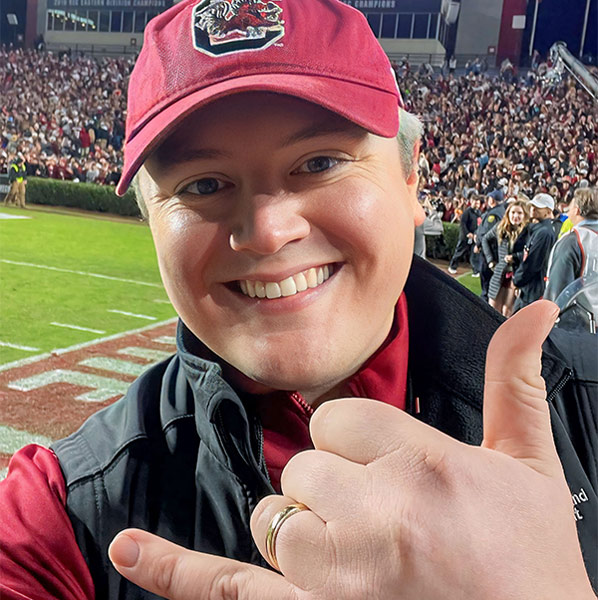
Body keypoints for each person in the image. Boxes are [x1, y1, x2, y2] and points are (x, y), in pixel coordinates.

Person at [1, 2, 596, 599]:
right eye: (203, 184)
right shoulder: (62, 509)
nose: (265, 231)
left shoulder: (587, 406)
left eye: (320, 163)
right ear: (151, 222)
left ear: (413, 182)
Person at [545, 187, 598, 302]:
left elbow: (558, 291)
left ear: (577, 210)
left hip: (582, 315)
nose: (567, 214)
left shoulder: (573, 241)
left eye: (569, 209)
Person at [482, 199, 530, 317]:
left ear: (524, 215)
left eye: (519, 213)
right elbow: (485, 240)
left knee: (507, 311)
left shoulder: (528, 231)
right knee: (492, 309)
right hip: (499, 273)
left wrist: (515, 257)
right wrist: (490, 261)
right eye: (513, 212)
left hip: (516, 275)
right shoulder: (500, 227)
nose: (515, 216)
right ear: (508, 213)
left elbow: (529, 251)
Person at [512, 193, 557, 313]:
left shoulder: (544, 232)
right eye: (532, 206)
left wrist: (517, 280)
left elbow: (533, 263)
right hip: (529, 288)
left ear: (548, 211)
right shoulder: (539, 229)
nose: (533, 209)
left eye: (537, 207)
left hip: (533, 290)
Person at [447, 195, 481, 274]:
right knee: (460, 251)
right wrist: (467, 233)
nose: (477, 205)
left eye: (478, 203)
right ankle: (452, 266)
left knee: (474, 254)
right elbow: (463, 224)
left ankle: (476, 271)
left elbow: (479, 224)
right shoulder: (467, 212)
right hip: (465, 236)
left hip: (474, 236)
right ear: (471, 202)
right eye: (475, 203)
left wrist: (476, 234)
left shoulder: (479, 212)